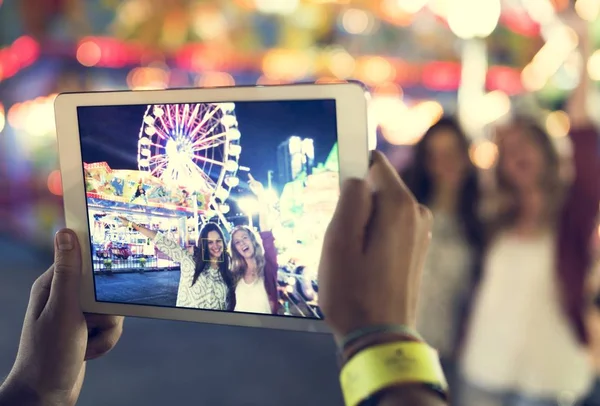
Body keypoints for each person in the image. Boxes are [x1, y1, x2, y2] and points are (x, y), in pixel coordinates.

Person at [0, 151, 447, 406]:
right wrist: (383, 340)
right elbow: (170, 242)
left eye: (228, 242)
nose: (223, 246)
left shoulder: (245, 270)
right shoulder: (199, 264)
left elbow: (267, 249)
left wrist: (35, 389)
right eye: (216, 241)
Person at [459, 13, 600, 406]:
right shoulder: (494, 217)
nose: (517, 154)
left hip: (548, 380)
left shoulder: (572, 213)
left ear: (546, 152)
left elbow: (584, 133)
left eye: (527, 144)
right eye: (509, 150)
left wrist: (584, 43)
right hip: (484, 370)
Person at [402, 117, 484, 386]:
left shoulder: (481, 219)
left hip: (449, 354)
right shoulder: (408, 214)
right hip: (399, 345)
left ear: (465, 154)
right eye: (434, 155)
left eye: (451, 152)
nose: (444, 163)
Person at [118, 218, 236, 310]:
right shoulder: (189, 261)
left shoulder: (229, 269)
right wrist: (131, 224)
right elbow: (160, 239)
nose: (215, 246)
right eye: (210, 242)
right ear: (203, 244)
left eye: (218, 241)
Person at [230, 174, 279, 314]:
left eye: (245, 238)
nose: (242, 243)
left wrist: (261, 195)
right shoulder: (235, 274)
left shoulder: (268, 266)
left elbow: (265, 231)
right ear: (236, 249)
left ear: (252, 240)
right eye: (237, 242)